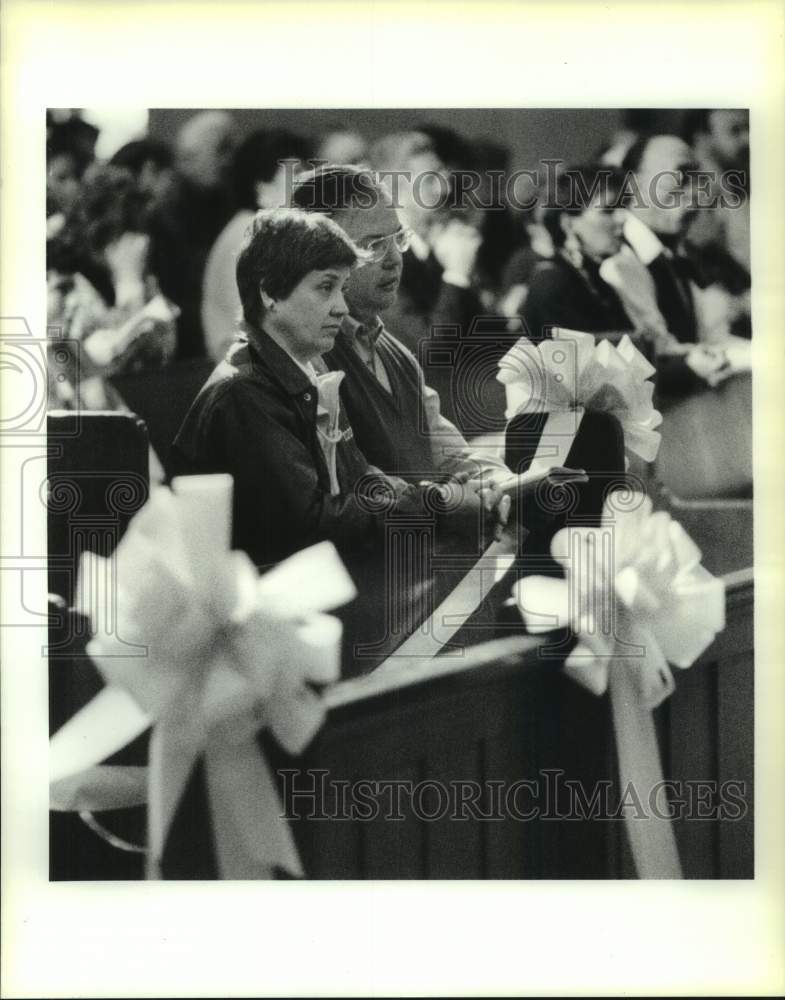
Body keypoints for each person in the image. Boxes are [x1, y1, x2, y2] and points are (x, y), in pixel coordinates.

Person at [170, 207, 492, 575]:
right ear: (269, 293)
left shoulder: (302, 369)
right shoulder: (244, 392)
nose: (341, 307)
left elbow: (359, 479)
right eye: (326, 287)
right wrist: (436, 505)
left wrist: (438, 496)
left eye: (342, 288)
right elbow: (314, 525)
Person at [201, 128, 312, 361]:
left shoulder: (266, 231)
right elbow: (260, 326)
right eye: (297, 174)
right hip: (243, 373)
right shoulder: (248, 234)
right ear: (261, 185)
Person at [147, 111, 239, 359]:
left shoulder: (227, 203)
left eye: (192, 157)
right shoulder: (168, 213)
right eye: (185, 157)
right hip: (190, 343)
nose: (226, 162)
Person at [520, 164, 632, 343]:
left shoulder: (596, 277)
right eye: (608, 210)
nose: (622, 218)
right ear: (568, 223)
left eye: (624, 207)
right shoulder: (551, 282)